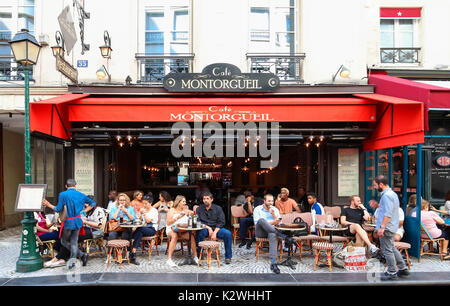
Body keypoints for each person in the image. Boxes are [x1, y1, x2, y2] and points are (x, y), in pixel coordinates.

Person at [42, 178, 96, 269]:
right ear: (75, 186)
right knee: (74, 242)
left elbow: (58, 209)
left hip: (68, 222)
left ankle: (79, 257)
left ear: (66, 186)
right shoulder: (81, 195)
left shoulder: (63, 194)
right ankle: (80, 257)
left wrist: (48, 204)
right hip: (78, 221)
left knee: (64, 241)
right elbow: (93, 203)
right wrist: (83, 212)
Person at [373, 175, 409, 280]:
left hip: (387, 227)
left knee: (387, 250)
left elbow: (388, 213)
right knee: (391, 247)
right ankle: (403, 268)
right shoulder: (392, 194)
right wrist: (378, 206)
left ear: (381, 184)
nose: (375, 187)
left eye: (375, 185)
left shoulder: (386, 196)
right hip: (391, 226)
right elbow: (388, 209)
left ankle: (392, 272)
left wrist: (382, 227)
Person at [253, 194, 295, 274]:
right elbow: (256, 223)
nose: (271, 203)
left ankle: (274, 263)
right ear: (264, 201)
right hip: (260, 232)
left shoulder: (275, 210)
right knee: (261, 220)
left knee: (272, 234)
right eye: (269, 201)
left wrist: (274, 215)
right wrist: (272, 222)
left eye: (272, 201)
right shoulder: (257, 209)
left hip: (271, 231)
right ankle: (284, 237)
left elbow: (279, 223)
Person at [195, 192, 233, 264]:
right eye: (204, 199)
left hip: (217, 228)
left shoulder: (218, 209)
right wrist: (208, 228)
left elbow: (221, 222)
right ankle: (199, 253)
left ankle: (228, 256)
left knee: (227, 233)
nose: (205, 200)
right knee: (200, 232)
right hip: (205, 228)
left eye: (207, 199)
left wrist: (214, 233)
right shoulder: (199, 209)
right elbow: (198, 222)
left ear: (211, 199)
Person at [166, 195, 199, 267]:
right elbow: (168, 222)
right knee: (175, 236)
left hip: (182, 230)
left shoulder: (185, 211)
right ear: (178, 202)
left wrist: (195, 210)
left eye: (185, 201)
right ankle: (169, 259)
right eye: (183, 201)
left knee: (191, 237)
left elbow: (195, 213)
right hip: (172, 229)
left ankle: (195, 257)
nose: (185, 203)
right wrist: (178, 217)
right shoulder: (172, 210)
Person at [129, 195, 159, 265]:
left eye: (146, 203)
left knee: (138, 230)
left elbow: (148, 221)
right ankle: (133, 253)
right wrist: (139, 214)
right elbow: (139, 220)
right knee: (139, 232)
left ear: (150, 203)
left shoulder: (154, 211)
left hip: (152, 229)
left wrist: (144, 213)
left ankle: (131, 250)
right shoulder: (143, 209)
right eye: (143, 203)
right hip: (142, 228)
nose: (144, 205)